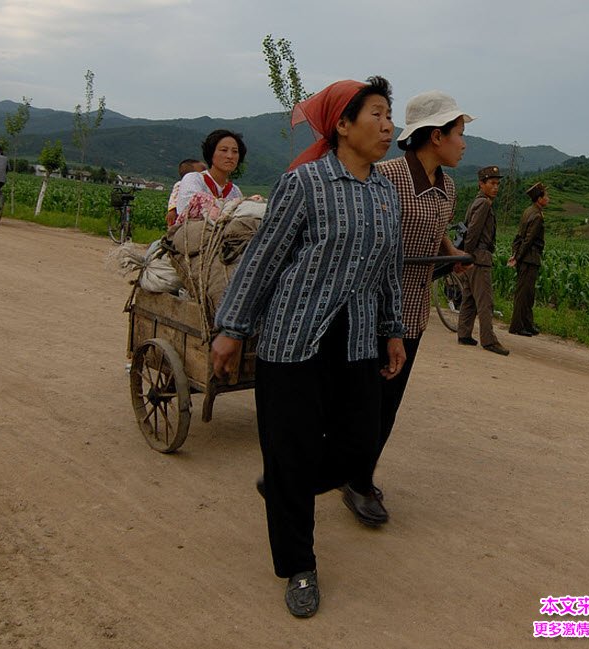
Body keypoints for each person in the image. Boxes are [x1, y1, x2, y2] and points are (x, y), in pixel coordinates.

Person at [210, 77, 406, 618]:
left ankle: (283, 485)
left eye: (390, 115)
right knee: (292, 449)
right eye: (376, 114)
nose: (389, 125)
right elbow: (264, 259)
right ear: (342, 125)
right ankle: (298, 566)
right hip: (294, 338)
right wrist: (232, 328)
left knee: (358, 443)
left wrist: (392, 328)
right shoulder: (305, 182)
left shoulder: (385, 192)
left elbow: (387, 270)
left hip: (358, 338)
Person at [343, 90, 473, 526]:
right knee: (369, 401)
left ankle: (357, 474)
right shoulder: (386, 177)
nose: (464, 143)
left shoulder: (447, 187)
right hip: (375, 309)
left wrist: (453, 256)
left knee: (389, 402)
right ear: (436, 136)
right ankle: (357, 482)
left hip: (414, 310)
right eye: (459, 133)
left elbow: (436, 233)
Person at [457, 166, 510, 356]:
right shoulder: (484, 204)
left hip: (472, 257)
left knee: (469, 298)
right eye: (492, 183)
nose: (496, 187)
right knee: (485, 301)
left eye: (498, 184)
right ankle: (489, 340)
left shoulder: (476, 202)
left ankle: (464, 334)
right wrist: (468, 256)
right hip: (478, 258)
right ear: (482, 184)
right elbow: (473, 233)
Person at [175, 129, 246, 218]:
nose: (230, 156)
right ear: (211, 153)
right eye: (224, 150)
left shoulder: (235, 191)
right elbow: (187, 208)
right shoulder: (194, 179)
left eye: (235, 151)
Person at [508, 182, 548, 336]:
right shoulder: (537, 216)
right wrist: (517, 258)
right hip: (529, 258)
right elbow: (528, 240)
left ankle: (527, 324)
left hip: (525, 257)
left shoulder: (528, 211)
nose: (548, 199)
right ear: (539, 199)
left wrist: (515, 253)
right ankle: (517, 326)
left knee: (528, 293)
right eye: (546, 196)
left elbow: (518, 237)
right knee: (524, 294)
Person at [165, 158, 205, 227]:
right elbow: (174, 198)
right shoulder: (180, 185)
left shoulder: (203, 186)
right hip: (182, 217)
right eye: (202, 172)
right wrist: (172, 210)